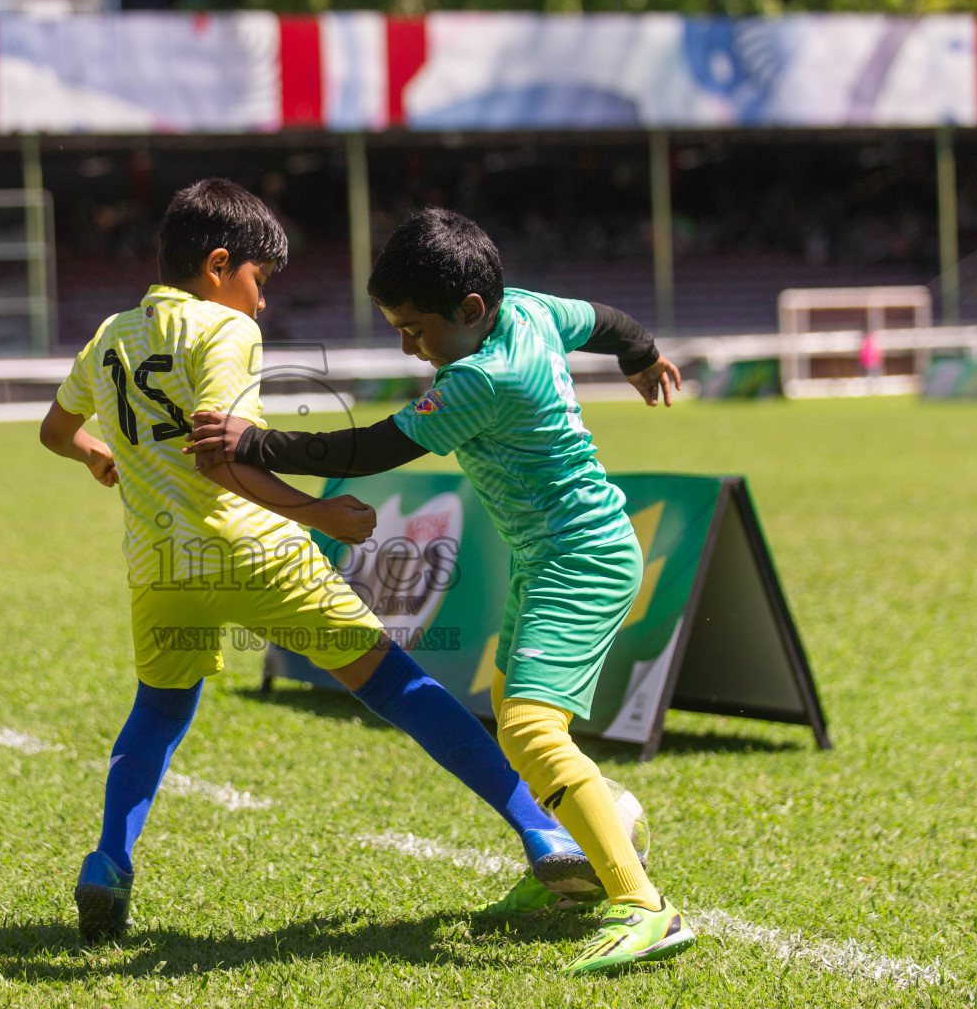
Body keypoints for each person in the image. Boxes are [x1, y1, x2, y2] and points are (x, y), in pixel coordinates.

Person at [39, 180, 596, 944]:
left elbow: (54, 428)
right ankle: (545, 835)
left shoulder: (110, 335)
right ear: (219, 264)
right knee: (400, 683)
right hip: (249, 550)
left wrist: (97, 449)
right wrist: (324, 511)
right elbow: (220, 455)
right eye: (258, 282)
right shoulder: (223, 332)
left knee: (158, 712)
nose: (260, 303)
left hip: (157, 567)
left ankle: (107, 861)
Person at [184, 207, 693, 975]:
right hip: (547, 557)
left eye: (414, 329)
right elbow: (609, 321)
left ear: (472, 311)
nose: (405, 345)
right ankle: (588, 865)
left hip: (580, 561)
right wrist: (641, 355)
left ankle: (642, 904)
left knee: (527, 729)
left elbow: (367, 448)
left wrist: (251, 440)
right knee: (520, 723)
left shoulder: (480, 380)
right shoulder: (529, 309)